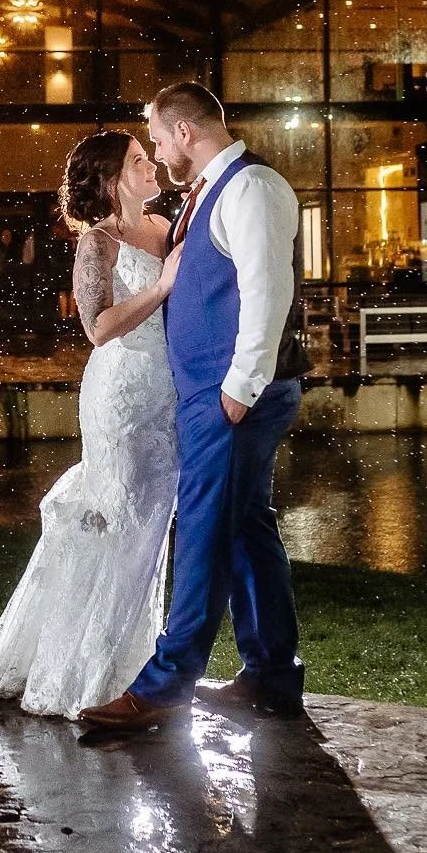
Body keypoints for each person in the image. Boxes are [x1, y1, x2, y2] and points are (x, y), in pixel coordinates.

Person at [79, 81, 312, 732]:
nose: (155, 149)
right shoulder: (208, 189)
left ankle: (164, 687)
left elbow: (269, 292)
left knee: (205, 536)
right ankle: (272, 678)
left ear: (185, 131)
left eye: (157, 136)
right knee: (246, 530)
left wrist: (238, 391)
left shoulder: (251, 189)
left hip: (229, 396)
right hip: (213, 393)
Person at [0, 131, 183, 719]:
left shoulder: (165, 228)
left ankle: (137, 665)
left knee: (152, 530)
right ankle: (89, 673)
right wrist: (162, 286)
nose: (151, 165)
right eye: (137, 161)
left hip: (168, 398)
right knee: (120, 521)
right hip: (123, 399)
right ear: (110, 180)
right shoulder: (98, 242)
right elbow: (98, 328)